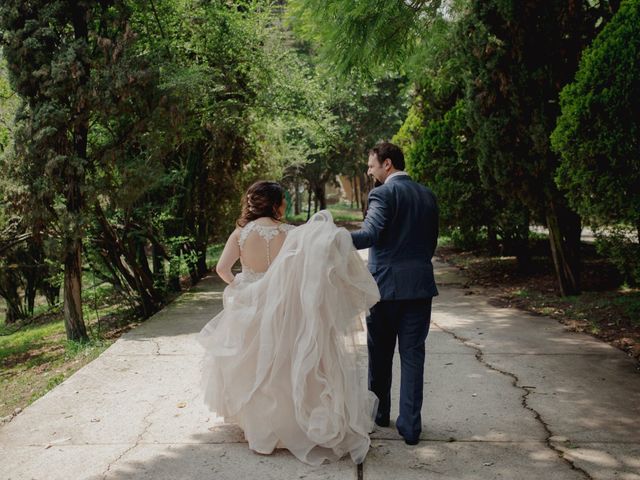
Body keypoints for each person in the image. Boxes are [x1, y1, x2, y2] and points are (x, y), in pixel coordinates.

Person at [198, 180, 380, 465]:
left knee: (253, 366)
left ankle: (260, 430)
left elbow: (222, 269)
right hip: (281, 306)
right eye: (282, 200)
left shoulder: (241, 234)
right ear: (275, 204)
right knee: (284, 365)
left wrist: (242, 287)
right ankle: (289, 427)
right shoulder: (292, 234)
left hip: (250, 306)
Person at [351, 142, 439, 446]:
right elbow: (431, 243)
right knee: (413, 356)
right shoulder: (428, 195)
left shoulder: (383, 193)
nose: (369, 170)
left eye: (371, 165)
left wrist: (329, 237)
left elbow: (368, 236)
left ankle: (379, 415)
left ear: (387, 164)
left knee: (380, 355)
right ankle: (411, 428)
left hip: (385, 288)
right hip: (419, 287)